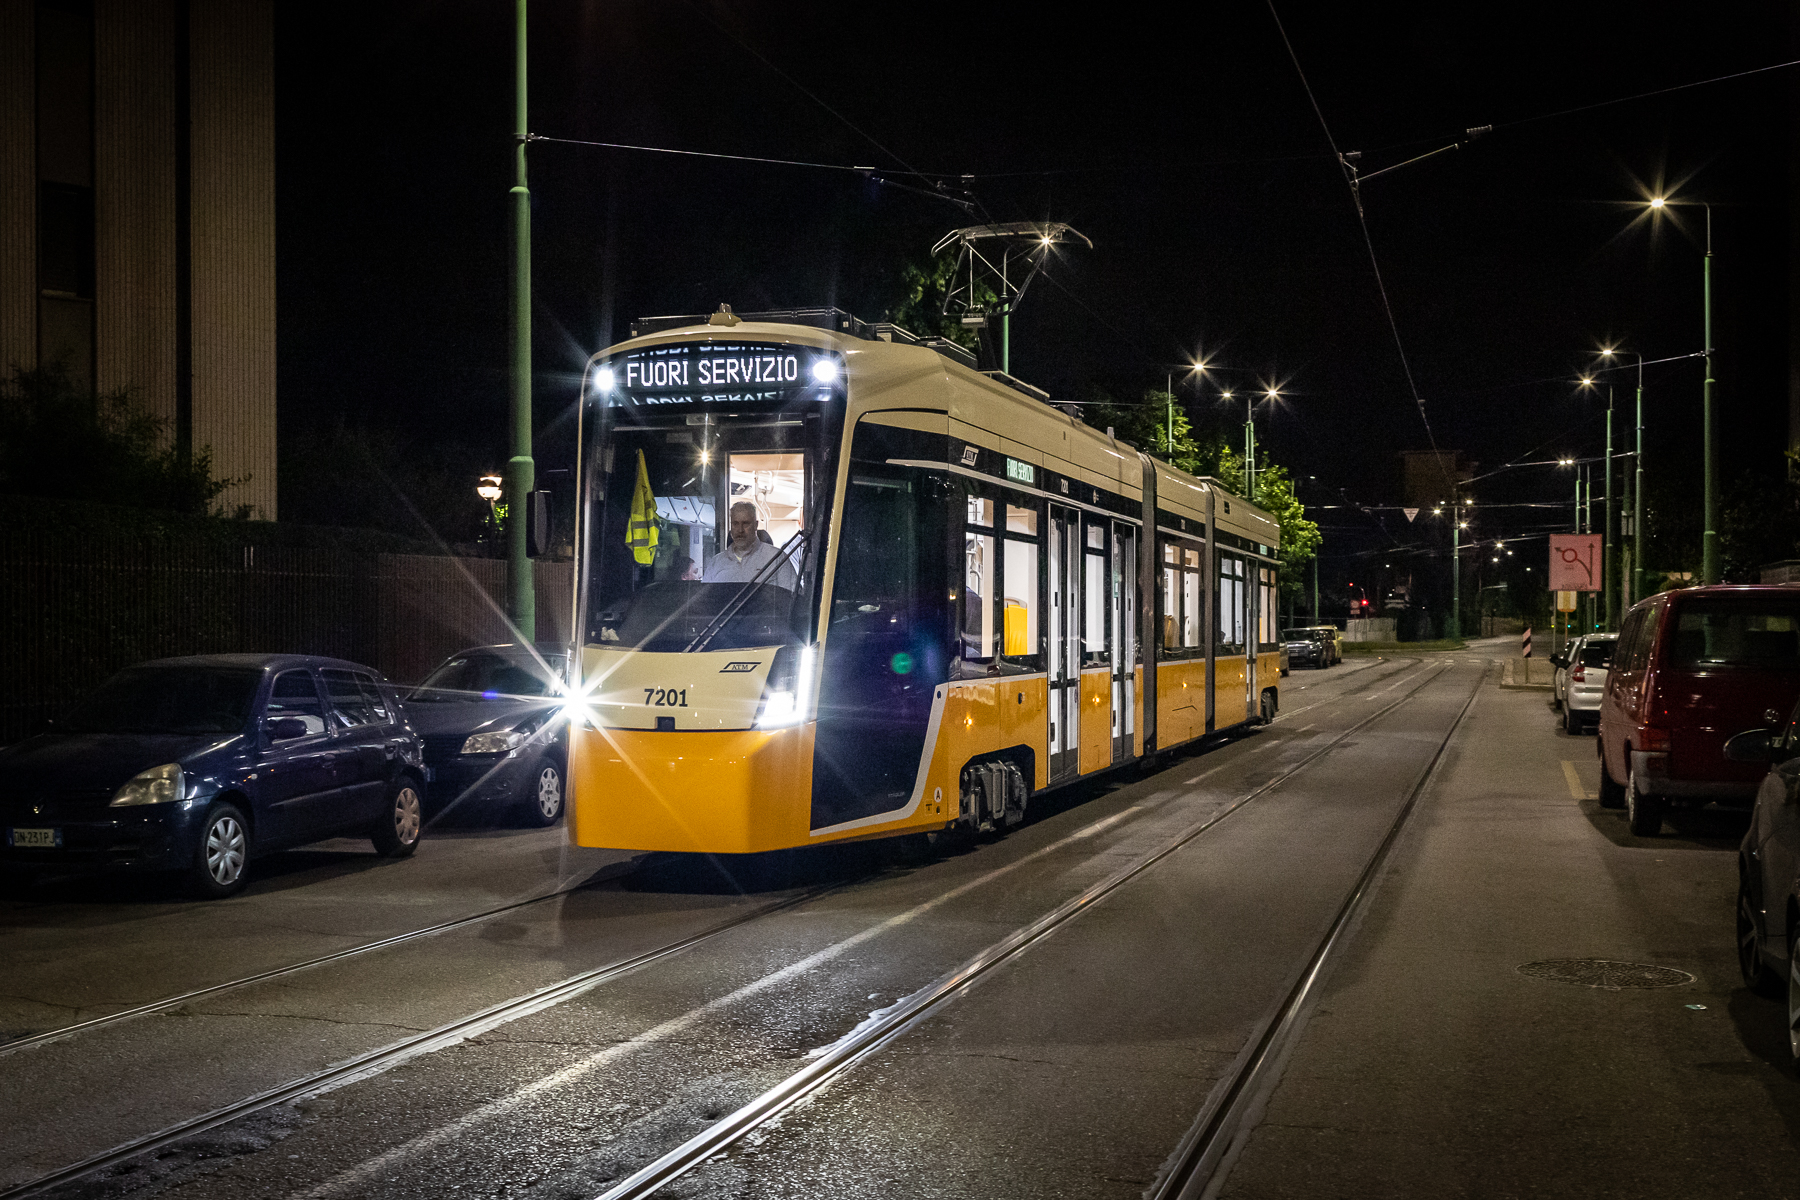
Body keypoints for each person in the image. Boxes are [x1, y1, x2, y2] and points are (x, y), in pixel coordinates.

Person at [703, 501, 797, 590]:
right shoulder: (716, 563)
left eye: (745, 523)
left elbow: (793, 598)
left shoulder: (776, 558)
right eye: (735, 524)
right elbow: (705, 601)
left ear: (756, 525)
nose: (740, 530)